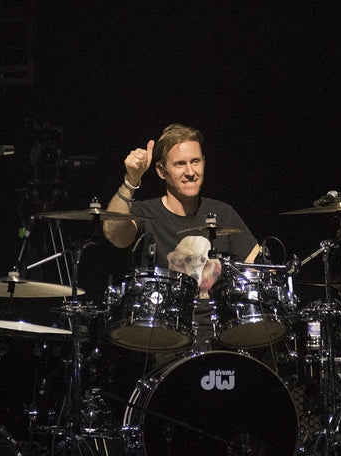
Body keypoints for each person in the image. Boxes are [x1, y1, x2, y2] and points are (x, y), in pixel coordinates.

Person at [103, 123, 261, 351]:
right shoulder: (146, 212)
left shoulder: (223, 212)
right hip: (165, 337)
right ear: (160, 170)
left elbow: (259, 267)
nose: (190, 172)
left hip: (223, 336)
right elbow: (115, 235)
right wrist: (131, 180)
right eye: (180, 164)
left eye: (195, 161)